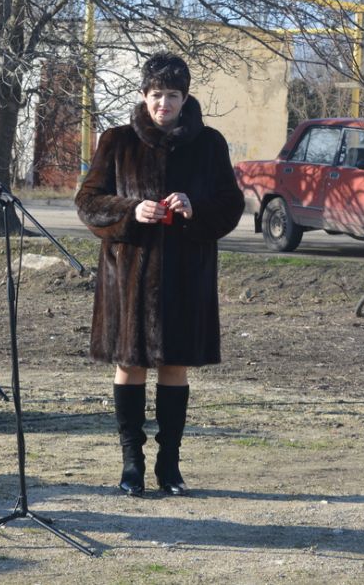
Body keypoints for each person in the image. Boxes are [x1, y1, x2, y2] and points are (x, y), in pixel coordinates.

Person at [74, 51, 244, 497]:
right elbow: (88, 202)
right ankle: (131, 463)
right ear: (143, 96)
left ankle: (170, 464)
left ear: (185, 98)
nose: (163, 104)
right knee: (128, 366)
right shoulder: (115, 141)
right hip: (128, 278)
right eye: (155, 95)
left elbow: (230, 207)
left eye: (172, 95)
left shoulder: (210, 144)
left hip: (187, 276)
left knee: (175, 366)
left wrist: (195, 209)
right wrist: (131, 210)